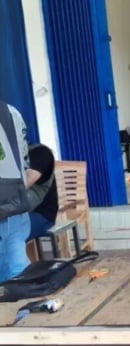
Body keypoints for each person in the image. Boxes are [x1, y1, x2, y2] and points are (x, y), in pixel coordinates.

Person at [0, 100, 32, 282]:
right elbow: (25, 159)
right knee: (17, 265)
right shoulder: (12, 112)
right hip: (15, 198)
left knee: (12, 268)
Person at [25, 143, 58, 241]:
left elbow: (21, 185)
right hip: (11, 213)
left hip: (39, 213)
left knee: (8, 236)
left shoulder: (40, 153)